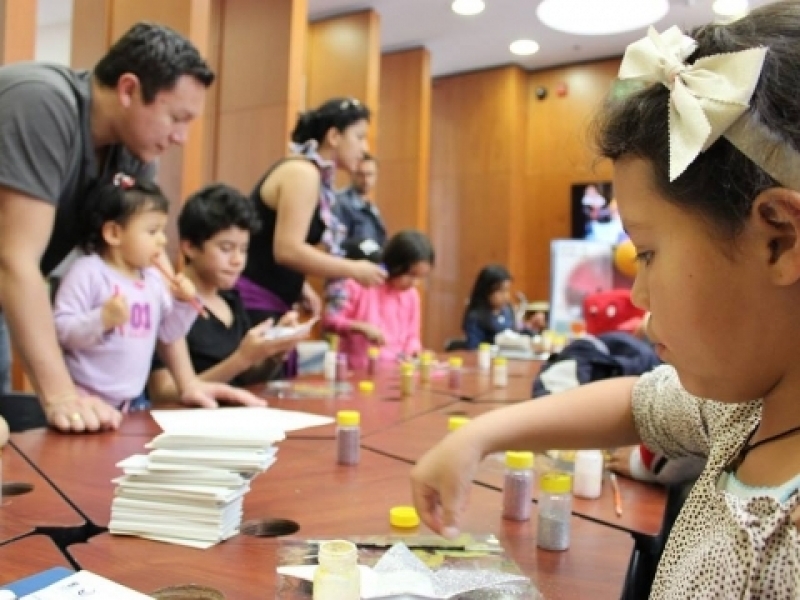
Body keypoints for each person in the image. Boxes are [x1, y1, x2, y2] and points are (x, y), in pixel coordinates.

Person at [411, 4, 800, 596]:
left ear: (780, 239)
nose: (639, 297)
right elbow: (639, 402)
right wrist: (477, 437)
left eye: (647, 253)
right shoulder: (747, 413)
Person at [0, 22, 245, 433]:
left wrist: (187, 383)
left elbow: (152, 274)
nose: (181, 137)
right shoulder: (41, 101)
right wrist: (62, 395)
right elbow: (14, 259)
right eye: (176, 118)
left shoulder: (132, 155)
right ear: (129, 90)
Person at [53, 175, 264, 416]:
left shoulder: (152, 279)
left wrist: (183, 304)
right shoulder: (87, 272)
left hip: (130, 403)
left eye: (162, 230)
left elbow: (168, 333)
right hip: (85, 398)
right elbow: (62, 330)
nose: (162, 240)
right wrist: (101, 319)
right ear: (114, 233)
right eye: (152, 231)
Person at [148, 184, 307, 403]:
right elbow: (163, 393)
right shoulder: (170, 304)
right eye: (225, 248)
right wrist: (241, 359)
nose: (237, 260)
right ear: (189, 247)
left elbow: (244, 380)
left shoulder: (231, 299)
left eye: (243, 250)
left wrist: (271, 354)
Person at [235, 98, 386, 326]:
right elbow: (287, 250)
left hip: (272, 300)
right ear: (334, 137)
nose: (364, 149)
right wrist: (354, 269)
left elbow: (270, 241)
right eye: (359, 137)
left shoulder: (310, 174)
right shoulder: (303, 173)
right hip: (254, 301)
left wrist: (301, 287)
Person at [322, 231, 434, 369]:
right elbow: (329, 321)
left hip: (395, 372)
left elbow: (413, 336)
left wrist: (414, 351)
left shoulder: (412, 296)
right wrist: (361, 328)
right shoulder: (361, 284)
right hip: (358, 371)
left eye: (420, 278)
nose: (414, 283)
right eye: (411, 275)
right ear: (396, 264)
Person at [334, 153, 387, 247]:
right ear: (352, 174)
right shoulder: (340, 203)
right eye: (360, 174)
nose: (366, 180)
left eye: (370, 174)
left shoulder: (372, 208)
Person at [461, 265, 516, 349]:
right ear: (486, 291)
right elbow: (473, 348)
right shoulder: (475, 317)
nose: (506, 296)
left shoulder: (508, 311)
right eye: (501, 291)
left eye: (507, 290)